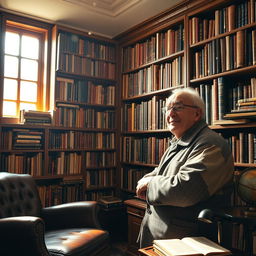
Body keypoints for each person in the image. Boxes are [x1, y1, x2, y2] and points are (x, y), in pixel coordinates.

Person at [136, 87, 234, 248]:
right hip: (163, 238)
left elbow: (186, 190)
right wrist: (150, 177)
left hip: (183, 242)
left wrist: (150, 184)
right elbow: (162, 170)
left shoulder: (210, 144)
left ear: (197, 114)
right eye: (167, 109)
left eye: (178, 107)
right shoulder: (181, 140)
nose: (171, 114)